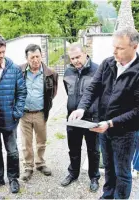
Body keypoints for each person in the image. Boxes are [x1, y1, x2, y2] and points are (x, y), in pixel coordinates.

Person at [69, 27, 139, 199]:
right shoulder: (108, 63)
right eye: (113, 46)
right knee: (108, 168)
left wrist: (111, 123)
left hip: (125, 133)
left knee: (122, 172)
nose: (114, 51)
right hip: (104, 129)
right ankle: (107, 196)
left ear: (135, 47)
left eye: (120, 48)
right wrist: (81, 107)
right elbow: (93, 88)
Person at [0, 33, 27, 193]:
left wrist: (17, 112)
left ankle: (13, 178)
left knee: (12, 151)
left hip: (9, 119)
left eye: (3, 52)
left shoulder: (14, 69)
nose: (2, 55)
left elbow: (22, 92)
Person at [62, 43, 100, 192]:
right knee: (73, 148)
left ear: (85, 54)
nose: (76, 60)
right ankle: (73, 173)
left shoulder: (97, 70)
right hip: (73, 118)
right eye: (72, 58)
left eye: (78, 57)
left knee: (93, 150)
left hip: (92, 118)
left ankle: (94, 177)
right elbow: (68, 92)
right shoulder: (68, 72)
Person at [19, 44, 58, 181]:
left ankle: (40, 163)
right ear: (27, 58)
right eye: (32, 57)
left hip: (41, 113)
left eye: (37, 56)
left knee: (41, 141)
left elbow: (52, 93)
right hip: (24, 114)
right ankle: (28, 167)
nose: (35, 60)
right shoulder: (20, 71)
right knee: (26, 143)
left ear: (41, 56)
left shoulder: (51, 73)